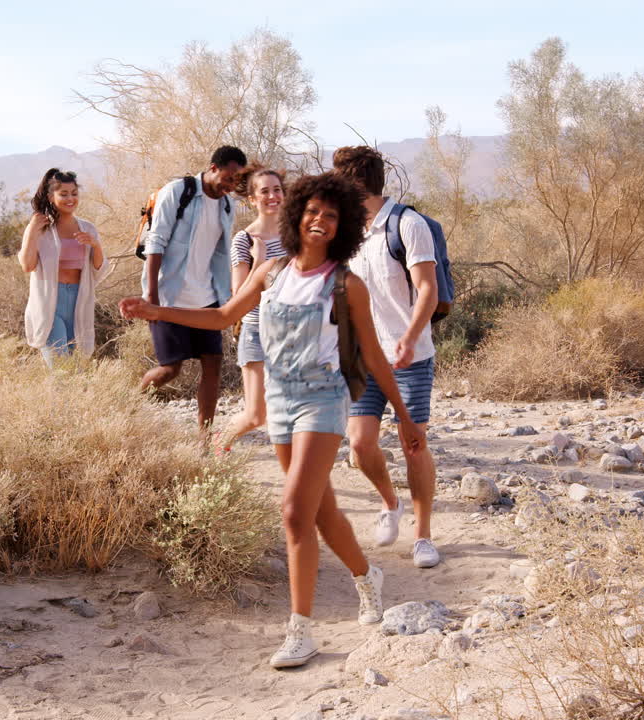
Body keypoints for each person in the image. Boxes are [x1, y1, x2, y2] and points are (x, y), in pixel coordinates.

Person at [120, 173, 426, 669]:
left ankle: (300, 631)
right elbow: (222, 318)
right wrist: (156, 309)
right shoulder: (271, 271)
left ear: (344, 225)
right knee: (319, 512)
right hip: (280, 400)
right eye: (313, 211)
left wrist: (407, 420)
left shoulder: (347, 285)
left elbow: (371, 354)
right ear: (297, 213)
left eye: (332, 215)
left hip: (324, 400)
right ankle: (368, 578)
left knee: (291, 512)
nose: (321, 221)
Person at [332, 146, 441, 568]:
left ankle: (423, 536)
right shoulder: (346, 232)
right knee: (359, 446)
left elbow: (427, 289)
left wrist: (411, 337)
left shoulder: (408, 225)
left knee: (413, 445)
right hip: (363, 357)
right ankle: (389, 502)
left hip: (410, 357)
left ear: (354, 185)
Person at [139, 145, 247, 432]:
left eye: (236, 181)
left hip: (207, 298)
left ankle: (203, 439)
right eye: (228, 177)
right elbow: (156, 241)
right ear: (213, 168)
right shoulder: (179, 191)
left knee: (213, 365)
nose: (230, 185)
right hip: (169, 296)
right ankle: (130, 406)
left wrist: (228, 297)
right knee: (169, 369)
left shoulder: (227, 205)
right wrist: (151, 297)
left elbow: (222, 254)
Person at [217, 166, 287, 452]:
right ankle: (217, 445)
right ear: (252, 199)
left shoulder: (296, 235)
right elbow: (239, 295)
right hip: (256, 329)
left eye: (277, 190)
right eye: (265, 191)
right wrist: (258, 262)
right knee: (256, 415)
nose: (272, 196)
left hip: (292, 330)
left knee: (293, 411)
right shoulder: (244, 240)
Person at [19, 168, 109, 364]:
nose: (71, 199)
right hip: (50, 301)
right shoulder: (42, 229)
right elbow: (27, 265)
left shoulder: (88, 228)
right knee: (60, 366)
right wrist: (31, 230)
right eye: (64, 194)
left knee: (76, 366)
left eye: (74, 193)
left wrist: (95, 245)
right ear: (51, 197)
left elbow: (99, 269)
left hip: (80, 300)